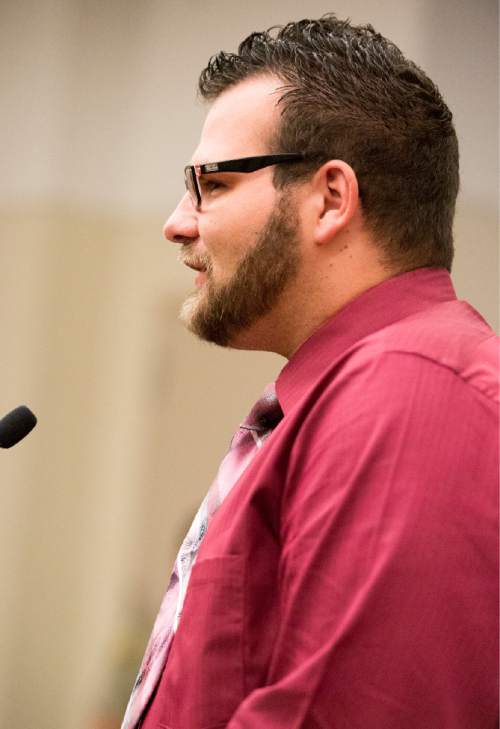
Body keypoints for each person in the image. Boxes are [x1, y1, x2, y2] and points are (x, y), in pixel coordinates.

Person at [122, 14, 499, 729]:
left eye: (212, 184)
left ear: (330, 198)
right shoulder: (354, 390)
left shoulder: (411, 390)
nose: (178, 221)